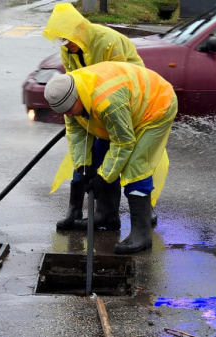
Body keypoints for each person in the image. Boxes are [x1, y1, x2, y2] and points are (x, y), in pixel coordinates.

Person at [44, 62, 177, 254]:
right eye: (64, 112)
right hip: (125, 107)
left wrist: (103, 178)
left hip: (155, 107)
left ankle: (142, 233)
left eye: (70, 109)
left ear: (78, 97)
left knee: (135, 166)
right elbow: (76, 131)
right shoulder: (70, 96)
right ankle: (107, 217)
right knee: (99, 156)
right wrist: (84, 165)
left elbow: (123, 142)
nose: (68, 114)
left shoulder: (107, 100)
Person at [43, 3, 151, 231]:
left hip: (124, 101)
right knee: (83, 155)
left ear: (78, 31)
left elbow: (122, 80)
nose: (65, 44)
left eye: (67, 38)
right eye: (61, 40)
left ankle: (142, 209)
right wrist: (77, 113)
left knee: (125, 154)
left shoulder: (109, 41)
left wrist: (99, 114)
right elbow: (73, 83)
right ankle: (83, 210)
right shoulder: (68, 50)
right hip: (90, 103)